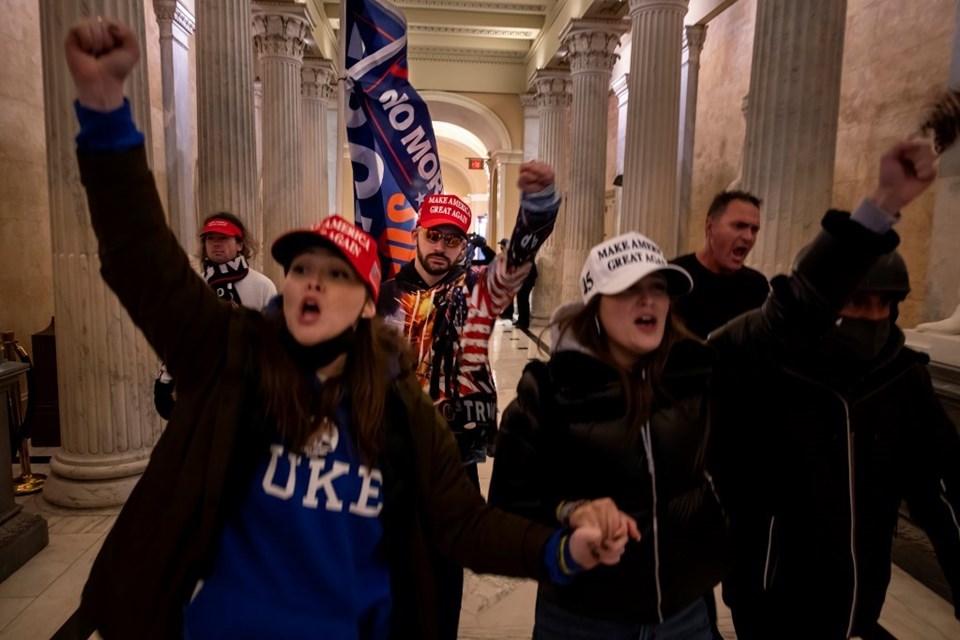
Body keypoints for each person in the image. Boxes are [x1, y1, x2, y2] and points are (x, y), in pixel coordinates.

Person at [62, 17, 639, 639]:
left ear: (362, 307)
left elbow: (464, 524)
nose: (312, 281)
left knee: (433, 575)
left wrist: (560, 550)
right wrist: (104, 114)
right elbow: (141, 259)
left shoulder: (399, 402)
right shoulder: (233, 359)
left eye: (335, 275)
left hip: (443, 459)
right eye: (301, 267)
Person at [489, 138, 944, 639]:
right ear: (595, 306)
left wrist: (882, 205)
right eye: (630, 289)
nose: (650, 299)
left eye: (660, 287)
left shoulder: (698, 367)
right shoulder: (545, 392)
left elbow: (796, 307)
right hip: (583, 615)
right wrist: (572, 512)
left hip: (684, 613)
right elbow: (511, 505)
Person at [713, 239, 960, 633]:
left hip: (858, 598)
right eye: (858, 302)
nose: (873, 317)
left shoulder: (903, 378)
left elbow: (938, 492)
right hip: (769, 599)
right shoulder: (766, 373)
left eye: (884, 305)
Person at [377, 172, 558, 639]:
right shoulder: (383, 297)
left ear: (464, 246)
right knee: (390, 561)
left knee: (443, 563)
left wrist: (537, 209)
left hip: (452, 454)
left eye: (452, 240)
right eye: (433, 235)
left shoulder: (477, 291)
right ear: (416, 234)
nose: (441, 247)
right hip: (387, 451)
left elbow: (517, 260)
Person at [153, 212, 276, 419]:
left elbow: (275, 345)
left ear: (240, 244)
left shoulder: (263, 287)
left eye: (224, 238)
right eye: (210, 238)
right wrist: (165, 382)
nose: (216, 244)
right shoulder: (192, 287)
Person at [671, 191, 769, 339]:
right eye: (739, 226)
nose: (749, 237)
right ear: (710, 227)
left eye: (754, 229)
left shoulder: (757, 286)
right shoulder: (674, 277)